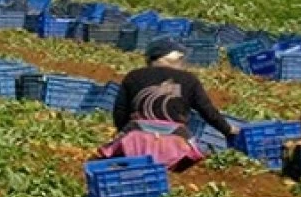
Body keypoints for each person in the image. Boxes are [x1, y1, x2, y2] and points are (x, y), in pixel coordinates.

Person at [101, 38, 237, 171]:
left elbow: (119, 111)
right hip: (176, 143)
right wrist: (227, 129)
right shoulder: (189, 79)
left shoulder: (134, 76)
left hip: (136, 140)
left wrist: (123, 132)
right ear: (165, 58)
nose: (182, 62)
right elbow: (207, 110)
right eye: (179, 58)